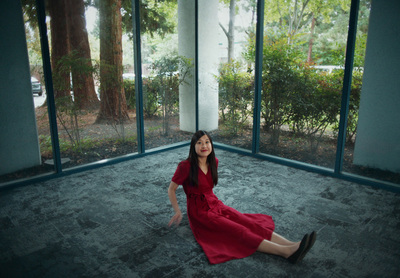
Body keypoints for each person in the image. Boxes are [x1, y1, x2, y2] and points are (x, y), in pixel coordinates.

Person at [168, 130, 316, 265]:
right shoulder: (185, 166)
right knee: (239, 231)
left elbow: (209, 190)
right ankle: (287, 252)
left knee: (249, 223)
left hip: (215, 203)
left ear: (211, 145)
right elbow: (171, 189)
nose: (204, 145)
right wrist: (177, 211)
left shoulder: (214, 162)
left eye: (207, 142)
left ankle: (291, 244)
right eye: (199, 143)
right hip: (200, 213)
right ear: (193, 147)